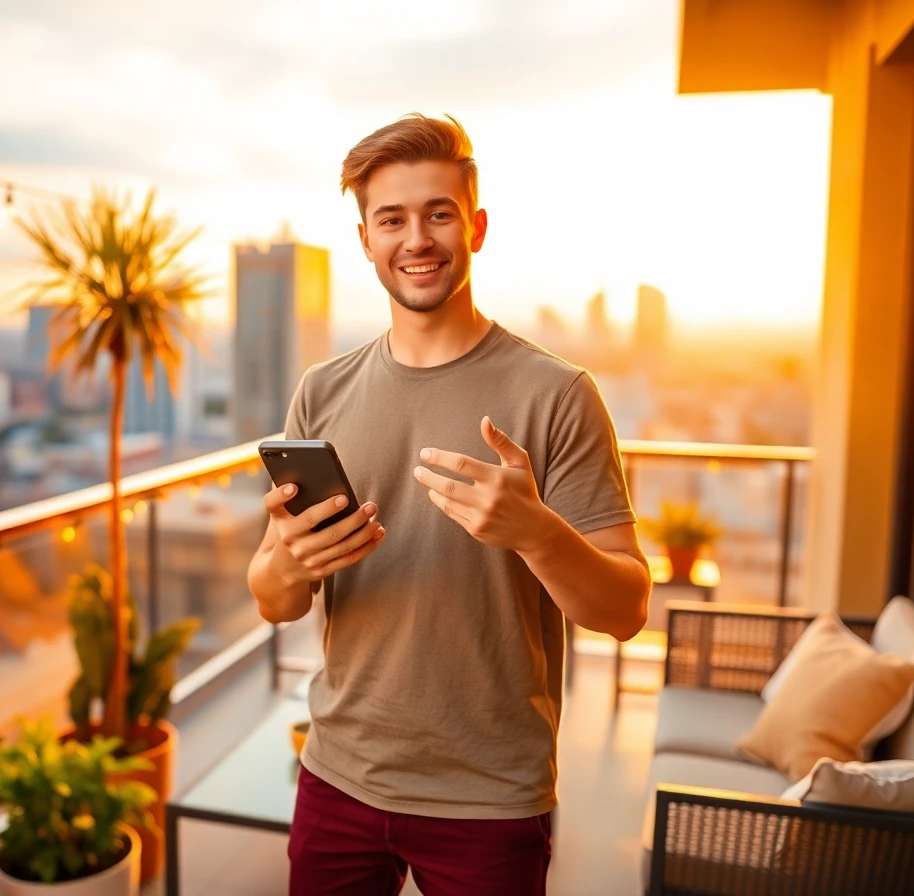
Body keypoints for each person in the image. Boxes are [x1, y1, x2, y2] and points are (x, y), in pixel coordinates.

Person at [246, 113, 651, 896]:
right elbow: (271, 600)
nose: (416, 239)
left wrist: (536, 534)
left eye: (438, 213)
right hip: (338, 774)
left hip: (490, 796)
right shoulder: (320, 392)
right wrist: (289, 565)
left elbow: (627, 608)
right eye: (391, 219)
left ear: (477, 227)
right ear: (364, 239)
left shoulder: (557, 395)